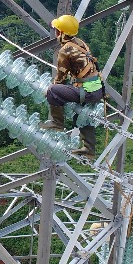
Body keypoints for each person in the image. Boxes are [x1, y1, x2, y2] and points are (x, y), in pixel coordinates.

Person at [39, 14, 104, 158]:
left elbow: (60, 78)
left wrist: (51, 92)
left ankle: (57, 123)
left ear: (61, 33)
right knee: (82, 114)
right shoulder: (80, 43)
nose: (55, 33)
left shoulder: (65, 51)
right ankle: (89, 149)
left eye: (56, 30)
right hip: (97, 90)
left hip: (87, 92)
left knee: (52, 91)